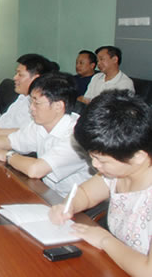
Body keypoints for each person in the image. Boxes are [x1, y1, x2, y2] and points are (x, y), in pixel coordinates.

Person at [49, 90, 152, 276]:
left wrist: (105, 240)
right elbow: (86, 194)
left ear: (138, 156)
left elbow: (148, 270)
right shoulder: (119, 172)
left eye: (102, 160)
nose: (95, 165)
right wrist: (68, 206)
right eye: (92, 157)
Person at [0, 72, 92, 197]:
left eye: (36, 103)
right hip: (47, 192)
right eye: (31, 101)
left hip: (73, 202)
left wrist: (7, 155)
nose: (31, 108)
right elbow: (11, 141)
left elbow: (35, 170)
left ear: (58, 106)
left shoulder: (76, 135)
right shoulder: (41, 124)